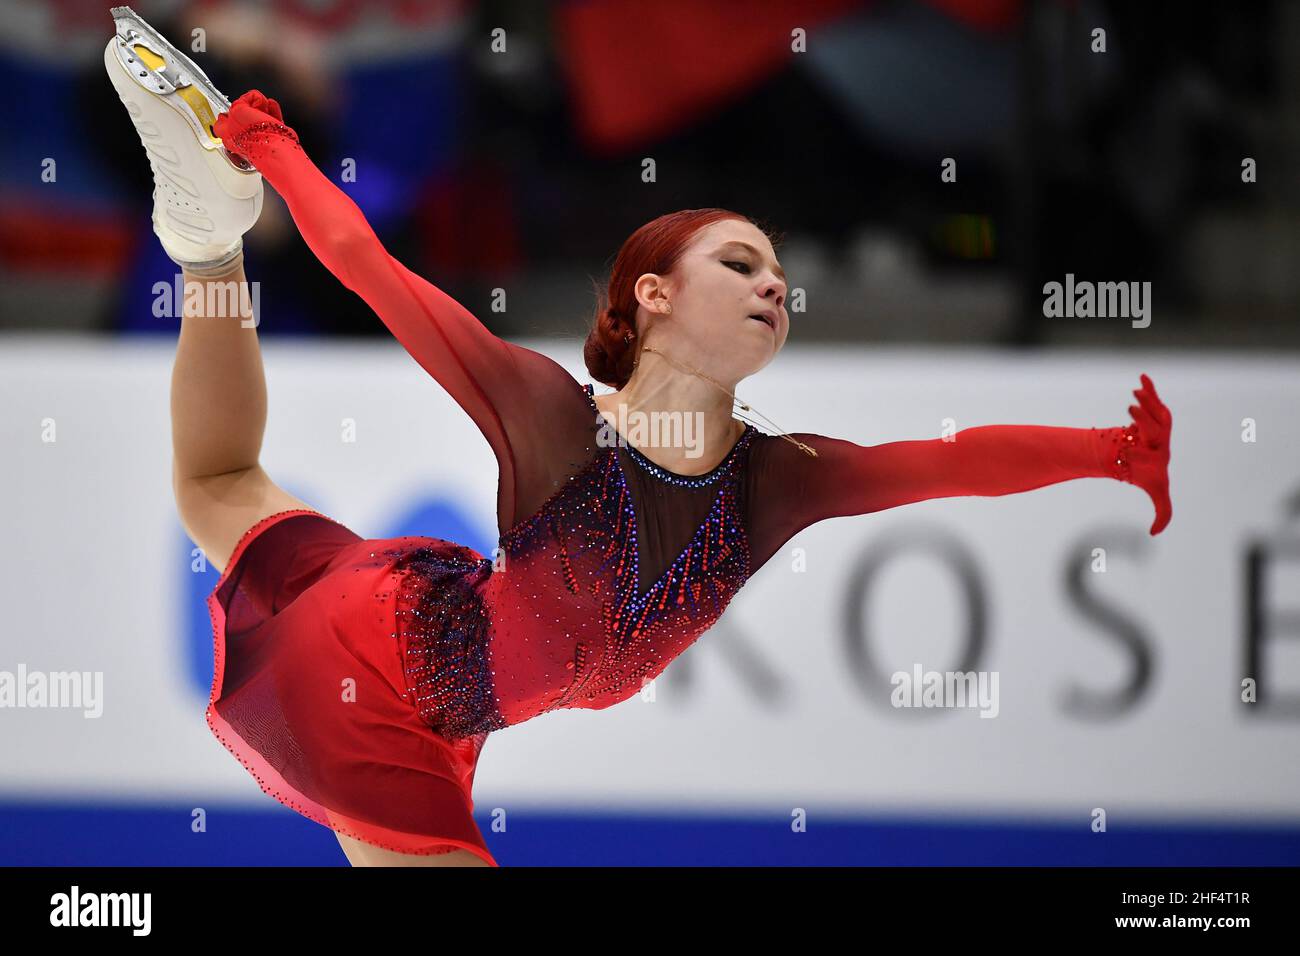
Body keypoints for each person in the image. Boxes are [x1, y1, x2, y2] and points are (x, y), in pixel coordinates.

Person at [105, 10, 1172, 868]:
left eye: (776, 274)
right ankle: (218, 222)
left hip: (440, 689)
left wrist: (1107, 452)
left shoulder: (779, 481)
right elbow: (374, 271)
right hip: (382, 671)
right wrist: (276, 147)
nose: (771, 284)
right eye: (739, 263)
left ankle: (205, 245)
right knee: (220, 486)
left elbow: (951, 461)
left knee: (218, 482)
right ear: (654, 296)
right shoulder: (552, 420)